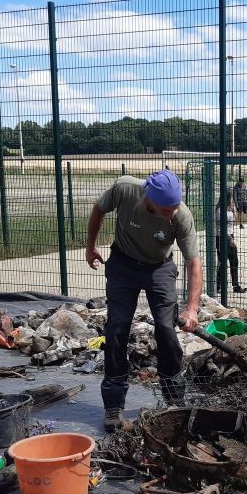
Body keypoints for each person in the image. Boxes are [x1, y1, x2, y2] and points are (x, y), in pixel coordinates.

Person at [86, 170, 202, 431]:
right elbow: (98, 209)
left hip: (159, 267)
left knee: (165, 327)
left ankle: (174, 399)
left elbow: (194, 263)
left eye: (174, 208)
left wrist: (192, 309)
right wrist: (90, 246)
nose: (171, 215)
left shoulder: (182, 216)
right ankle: (113, 405)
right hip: (123, 264)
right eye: (165, 210)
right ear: (148, 200)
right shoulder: (124, 189)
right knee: (117, 328)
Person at [215, 194, 246, 294]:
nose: (232, 202)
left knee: (234, 261)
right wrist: (230, 239)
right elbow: (222, 227)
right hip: (222, 238)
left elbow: (233, 222)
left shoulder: (229, 210)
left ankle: (235, 286)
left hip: (230, 237)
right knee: (222, 263)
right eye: (231, 200)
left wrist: (233, 210)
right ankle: (219, 286)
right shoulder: (220, 211)